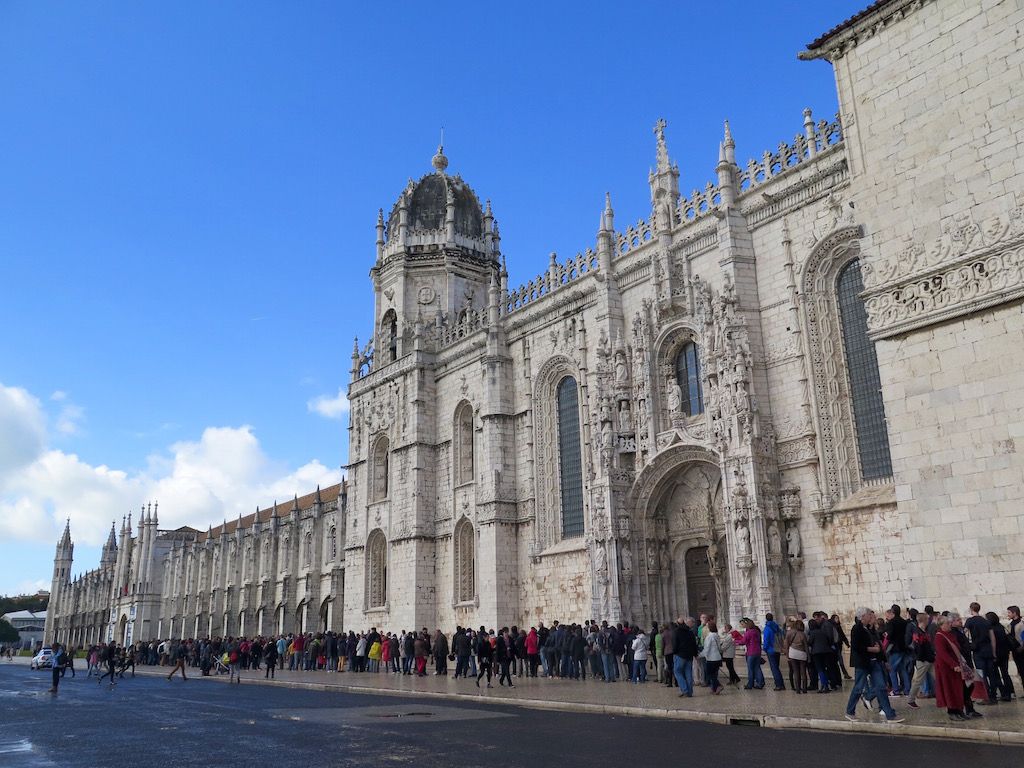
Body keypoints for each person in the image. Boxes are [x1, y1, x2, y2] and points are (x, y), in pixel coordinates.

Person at [844, 607, 903, 723]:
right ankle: (850, 711)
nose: (871, 617)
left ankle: (889, 714)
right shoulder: (857, 629)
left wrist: (884, 661)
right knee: (858, 688)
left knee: (881, 687)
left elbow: (879, 647)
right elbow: (856, 647)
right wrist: (872, 649)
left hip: (875, 662)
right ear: (862, 617)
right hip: (863, 663)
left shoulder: (870, 629)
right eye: (868, 615)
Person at [933, 615, 969, 720]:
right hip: (946, 668)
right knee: (949, 689)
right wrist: (953, 665)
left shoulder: (950, 634)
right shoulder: (939, 636)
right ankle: (952, 711)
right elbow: (942, 653)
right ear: (941, 625)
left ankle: (959, 710)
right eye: (947, 623)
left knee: (957, 689)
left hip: (956, 666)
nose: (950, 625)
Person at [964, 602, 998, 705]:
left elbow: (964, 632)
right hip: (988, 650)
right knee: (992, 674)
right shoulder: (986, 622)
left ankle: (985, 696)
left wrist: (968, 643)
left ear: (971, 609)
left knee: (981, 674)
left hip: (978, 650)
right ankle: (993, 696)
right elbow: (993, 638)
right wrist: (994, 652)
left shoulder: (970, 621)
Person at [906, 610, 935, 708]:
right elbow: (918, 647)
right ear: (924, 620)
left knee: (938, 677)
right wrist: (923, 658)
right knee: (918, 680)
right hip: (923, 660)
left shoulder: (924, 631)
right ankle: (911, 699)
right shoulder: (918, 633)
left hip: (929, 659)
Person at [672, 616, 697, 697]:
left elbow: (675, 643)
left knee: (677, 672)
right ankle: (689, 692)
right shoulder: (690, 632)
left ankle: (684, 689)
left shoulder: (677, 631)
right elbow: (694, 644)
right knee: (688, 673)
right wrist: (695, 654)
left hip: (680, 655)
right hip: (689, 656)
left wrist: (675, 652)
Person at [784, 618, 809, 694]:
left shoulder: (789, 633)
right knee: (803, 672)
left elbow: (787, 644)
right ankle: (804, 689)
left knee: (796, 672)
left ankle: (798, 689)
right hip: (802, 654)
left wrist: (787, 654)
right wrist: (808, 656)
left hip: (793, 653)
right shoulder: (803, 634)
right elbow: (806, 646)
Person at [763, 613, 785, 691]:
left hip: (770, 650)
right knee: (777, 667)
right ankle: (781, 684)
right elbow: (782, 635)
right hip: (777, 649)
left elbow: (766, 640)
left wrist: (765, 648)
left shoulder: (767, 628)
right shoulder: (777, 627)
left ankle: (778, 684)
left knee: (774, 668)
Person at [741, 618, 764, 690]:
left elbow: (743, 641)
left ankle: (750, 684)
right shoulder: (757, 631)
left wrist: (735, 641)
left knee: (750, 669)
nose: (742, 625)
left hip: (751, 652)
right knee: (757, 668)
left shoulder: (749, 632)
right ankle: (760, 683)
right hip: (758, 651)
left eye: (743, 624)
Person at [702, 620, 723, 694]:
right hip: (717, 657)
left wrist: (701, 655)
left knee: (710, 674)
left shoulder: (709, 637)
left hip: (711, 658)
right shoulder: (716, 635)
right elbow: (719, 648)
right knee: (714, 674)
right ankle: (714, 688)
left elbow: (707, 648)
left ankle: (718, 686)